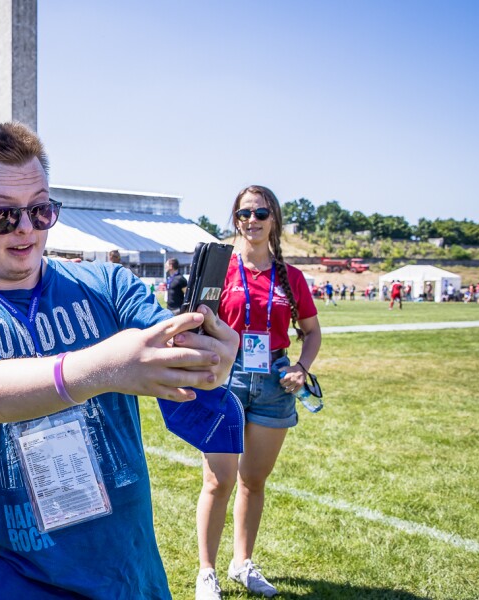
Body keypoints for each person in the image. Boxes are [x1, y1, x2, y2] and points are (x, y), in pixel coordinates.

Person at [0, 122, 238, 599]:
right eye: (3, 215)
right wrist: (104, 367)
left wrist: (208, 357)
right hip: (14, 572)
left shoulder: (108, 284)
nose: (25, 228)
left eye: (40, 210)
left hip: (126, 569)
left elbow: (177, 354)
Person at [194, 185, 321, 599]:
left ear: (274, 220)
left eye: (261, 213)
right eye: (244, 213)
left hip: (274, 383)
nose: (253, 220)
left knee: (253, 481)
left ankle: (241, 563)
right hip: (225, 381)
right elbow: (195, 322)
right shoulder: (221, 270)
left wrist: (302, 367)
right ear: (235, 220)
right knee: (218, 480)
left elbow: (313, 332)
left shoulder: (292, 277)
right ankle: (207, 572)